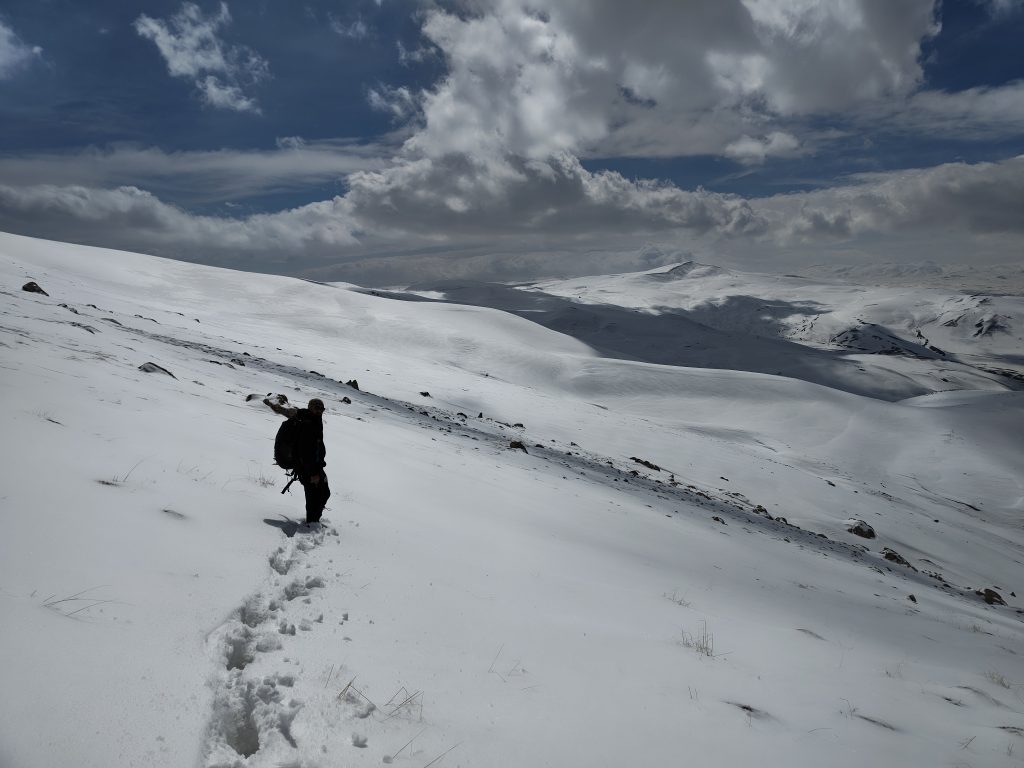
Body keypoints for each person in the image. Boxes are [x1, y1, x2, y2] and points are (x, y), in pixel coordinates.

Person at [265, 396, 330, 524]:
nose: (319, 411)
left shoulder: (311, 419)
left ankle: (313, 521)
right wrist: (313, 473)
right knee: (315, 496)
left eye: (322, 409)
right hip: (308, 468)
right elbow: (307, 452)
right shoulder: (308, 424)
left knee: (322, 493)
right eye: (317, 408)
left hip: (311, 466)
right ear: (310, 408)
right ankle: (311, 524)